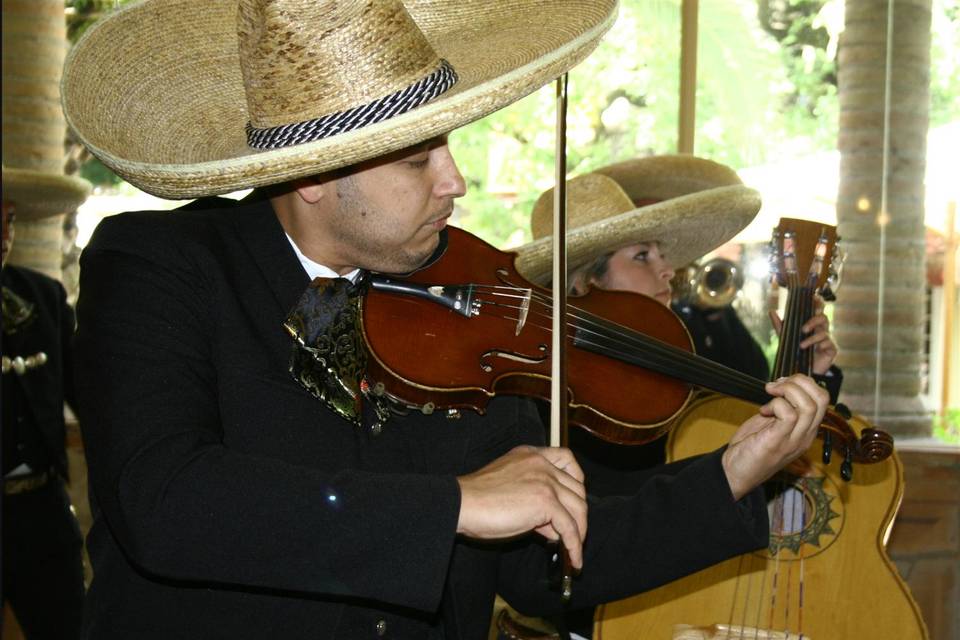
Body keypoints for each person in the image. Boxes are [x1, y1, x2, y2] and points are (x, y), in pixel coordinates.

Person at [60, 1, 831, 638]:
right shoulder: (162, 265)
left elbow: (547, 571)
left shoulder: (468, 304)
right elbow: (165, 500)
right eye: (415, 160)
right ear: (316, 176)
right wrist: (458, 502)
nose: (454, 182)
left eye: (447, 148)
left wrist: (731, 475)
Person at [512, 158, 841, 638]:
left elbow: (762, 424)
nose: (668, 270)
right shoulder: (546, 393)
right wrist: (732, 467)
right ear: (587, 281)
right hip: (602, 610)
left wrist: (812, 376)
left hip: (679, 588)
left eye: (660, 254)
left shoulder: (678, 360)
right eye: (642, 257)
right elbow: (619, 500)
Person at [2, 166, 91, 639]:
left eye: (10, 219)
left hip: (41, 507)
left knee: (68, 625)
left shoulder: (41, 295)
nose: (5, 234)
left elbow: (87, 390)